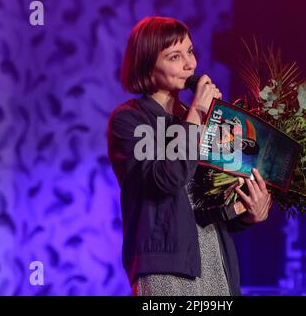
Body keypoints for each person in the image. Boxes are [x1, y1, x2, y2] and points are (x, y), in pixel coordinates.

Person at [107, 16, 272, 296]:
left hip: (214, 263)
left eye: (190, 51)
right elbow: (167, 179)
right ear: (147, 63)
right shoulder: (129, 121)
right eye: (175, 56)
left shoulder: (197, 119)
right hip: (165, 269)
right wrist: (196, 116)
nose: (190, 64)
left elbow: (207, 207)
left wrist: (247, 214)